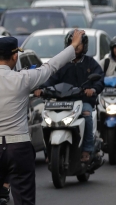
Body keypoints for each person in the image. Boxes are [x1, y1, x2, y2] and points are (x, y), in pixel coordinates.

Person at [0, 30, 85, 205]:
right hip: (18, 147)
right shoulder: (22, 79)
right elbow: (51, 67)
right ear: (14, 56)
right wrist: (73, 46)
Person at [34, 30, 104, 162]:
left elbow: (100, 79)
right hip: (61, 102)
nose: (76, 47)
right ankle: (48, 151)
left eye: (79, 45)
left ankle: (86, 150)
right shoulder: (62, 63)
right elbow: (50, 78)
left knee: (87, 115)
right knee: (46, 121)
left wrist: (93, 89)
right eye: (73, 44)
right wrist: (41, 89)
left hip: (82, 101)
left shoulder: (90, 63)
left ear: (85, 46)